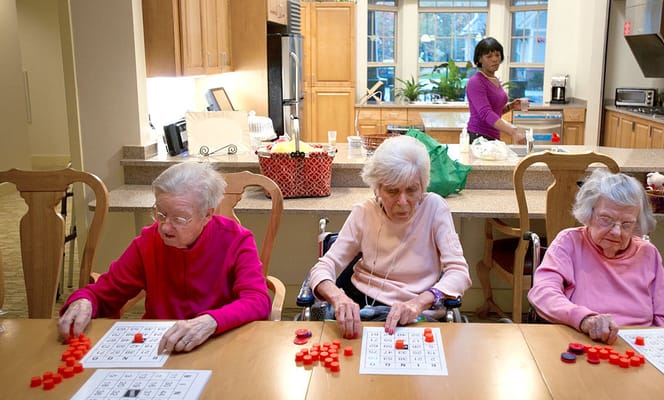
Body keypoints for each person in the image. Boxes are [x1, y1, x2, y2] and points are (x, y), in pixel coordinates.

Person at [58, 162, 271, 353]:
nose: (165, 227)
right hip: (159, 347)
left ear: (207, 214)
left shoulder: (236, 239)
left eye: (179, 218)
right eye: (160, 214)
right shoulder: (148, 241)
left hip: (217, 344)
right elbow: (103, 294)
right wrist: (83, 301)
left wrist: (210, 321)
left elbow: (257, 300)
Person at [308, 135, 471, 338]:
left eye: (412, 190)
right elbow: (323, 268)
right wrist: (338, 298)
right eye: (392, 191)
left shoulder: (435, 209)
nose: (402, 201)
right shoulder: (364, 212)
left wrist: (420, 302)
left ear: (423, 186)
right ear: (377, 188)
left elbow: (459, 273)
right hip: (361, 308)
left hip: (416, 312)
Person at [527, 169, 664, 344]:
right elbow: (543, 293)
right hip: (583, 342)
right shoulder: (569, 242)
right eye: (606, 219)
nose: (616, 231)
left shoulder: (648, 254)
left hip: (639, 349)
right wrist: (584, 319)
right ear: (589, 214)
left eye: (627, 224)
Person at [466, 37, 526, 144]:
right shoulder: (476, 82)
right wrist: (513, 132)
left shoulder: (494, 79)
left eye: (497, 55)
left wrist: (510, 106)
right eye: (489, 56)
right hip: (479, 137)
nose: (495, 59)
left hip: (492, 136)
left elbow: (495, 111)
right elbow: (486, 113)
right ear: (480, 59)